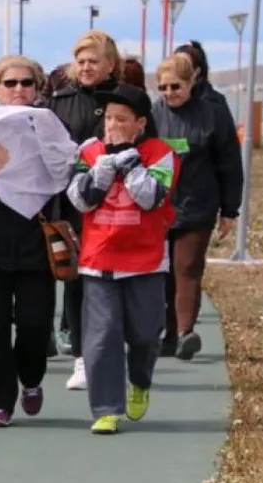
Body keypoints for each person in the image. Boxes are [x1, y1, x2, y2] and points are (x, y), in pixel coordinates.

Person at [0, 56, 77, 427]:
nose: (18, 89)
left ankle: (30, 378)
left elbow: (63, 175)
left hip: (36, 237)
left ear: (38, 87)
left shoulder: (50, 124)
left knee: (33, 325)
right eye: (9, 83)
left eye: (26, 83)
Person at [66, 84, 179, 435]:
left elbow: (152, 199)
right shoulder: (89, 151)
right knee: (101, 337)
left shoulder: (161, 153)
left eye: (121, 119)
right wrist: (101, 171)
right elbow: (79, 201)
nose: (111, 125)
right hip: (98, 258)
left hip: (145, 260)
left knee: (145, 335)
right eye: (108, 118)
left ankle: (140, 381)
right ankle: (106, 409)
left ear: (140, 123)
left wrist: (129, 162)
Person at [152, 53, 243, 360]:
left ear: (192, 82)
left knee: (187, 268)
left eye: (175, 86)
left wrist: (230, 210)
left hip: (198, 205)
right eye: (162, 88)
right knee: (162, 273)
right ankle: (165, 334)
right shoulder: (153, 115)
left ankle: (184, 333)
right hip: (158, 207)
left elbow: (230, 163)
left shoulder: (213, 114)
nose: (169, 94)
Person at [49, 29, 121, 391]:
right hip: (69, 205)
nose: (87, 67)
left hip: (114, 206)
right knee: (75, 281)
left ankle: (110, 352)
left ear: (110, 64)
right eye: (81, 61)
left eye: (94, 60)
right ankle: (81, 359)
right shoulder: (59, 101)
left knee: (109, 285)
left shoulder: (126, 100)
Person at [175, 41, 234, 124]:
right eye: (175, 64)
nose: (178, 69)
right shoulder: (164, 102)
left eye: (185, 65)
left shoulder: (214, 102)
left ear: (197, 71)